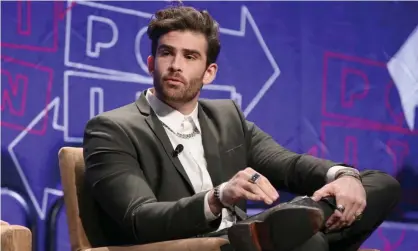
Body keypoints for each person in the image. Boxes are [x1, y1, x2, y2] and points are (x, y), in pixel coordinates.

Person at [82, 4, 401, 251]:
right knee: (306, 243)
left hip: (249, 241)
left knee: (379, 184)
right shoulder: (112, 128)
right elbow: (140, 219)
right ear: (151, 63)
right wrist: (218, 196)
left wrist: (342, 176)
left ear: (209, 73)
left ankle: (301, 221)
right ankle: (295, 226)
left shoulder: (226, 117)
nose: (176, 65)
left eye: (190, 56)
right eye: (167, 53)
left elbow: (288, 164)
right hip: (195, 245)